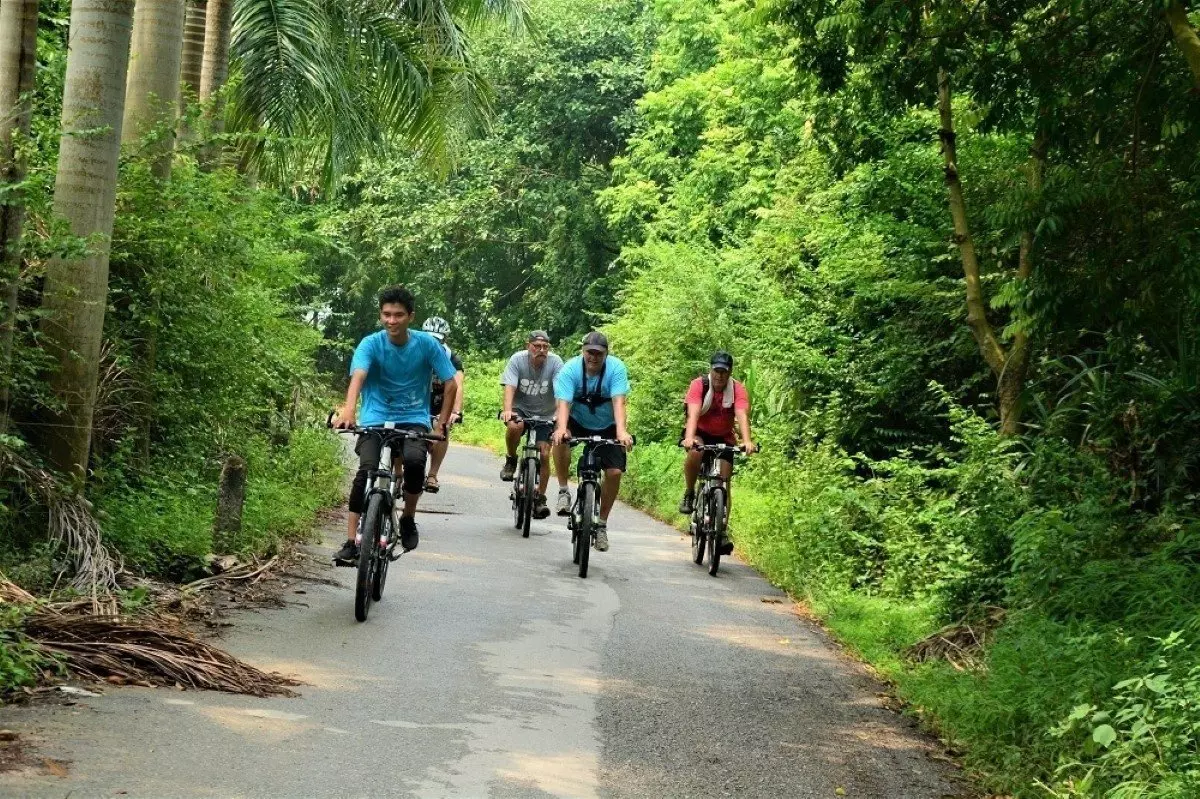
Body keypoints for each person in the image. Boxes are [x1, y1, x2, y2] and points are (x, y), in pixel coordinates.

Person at [332, 286, 458, 563]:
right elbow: (358, 377)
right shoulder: (370, 344)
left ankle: (408, 518)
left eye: (398, 315)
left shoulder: (426, 344)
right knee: (365, 471)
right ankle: (352, 541)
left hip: (413, 417)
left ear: (410, 316)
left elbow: (451, 383)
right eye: (386, 315)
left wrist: (442, 424)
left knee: (414, 463)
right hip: (375, 417)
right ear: (380, 315)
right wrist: (349, 410)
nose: (392, 321)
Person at [551, 332, 633, 552]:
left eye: (599, 354)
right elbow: (564, 404)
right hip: (575, 420)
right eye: (590, 352)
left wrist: (622, 432)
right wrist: (561, 429)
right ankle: (563, 491)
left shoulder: (616, 369)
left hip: (608, 425)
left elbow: (619, 402)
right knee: (559, 439)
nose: (594, 358)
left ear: (606, 354)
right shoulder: (570, 369)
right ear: (583, 351)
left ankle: (602, 524)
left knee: (615, 472)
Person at [679, 350, 754, 556]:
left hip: (724, 437)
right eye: (716, 371)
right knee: (695, 452)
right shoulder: (699, 385)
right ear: (710, 369)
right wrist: (689, 437)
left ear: (730, 373)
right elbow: (693, 413)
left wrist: (747, 441)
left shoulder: (737, 389)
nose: (720, 375)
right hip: (700, 433)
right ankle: (689, 493)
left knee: (724, 480)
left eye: (724, 371)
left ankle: (721, 531)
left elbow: (741, 415)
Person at [500, 330, 569, 519]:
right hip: (521, 409)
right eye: (537, 346)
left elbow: (560, 392)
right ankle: (511, 459)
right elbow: (509, 387)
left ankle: (540, 498)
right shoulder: (517, 360)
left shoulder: (555, 362)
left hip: (546, 414)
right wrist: (507, 410)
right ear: (528, 346)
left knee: (545, 452)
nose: (541, 350)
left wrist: (558, 417)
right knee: (515, 426)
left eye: (545, 347)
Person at [420, 316, 464, 494]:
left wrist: (456, 410)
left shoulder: (450, 357)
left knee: (442, 428)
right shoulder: (414, 351)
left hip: (440, 400)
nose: (433, 343)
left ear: (444, 339)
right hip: (418, 398)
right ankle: (397, 471)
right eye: (429, 338)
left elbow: (458, 385)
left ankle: (432, 474)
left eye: (437, 339)